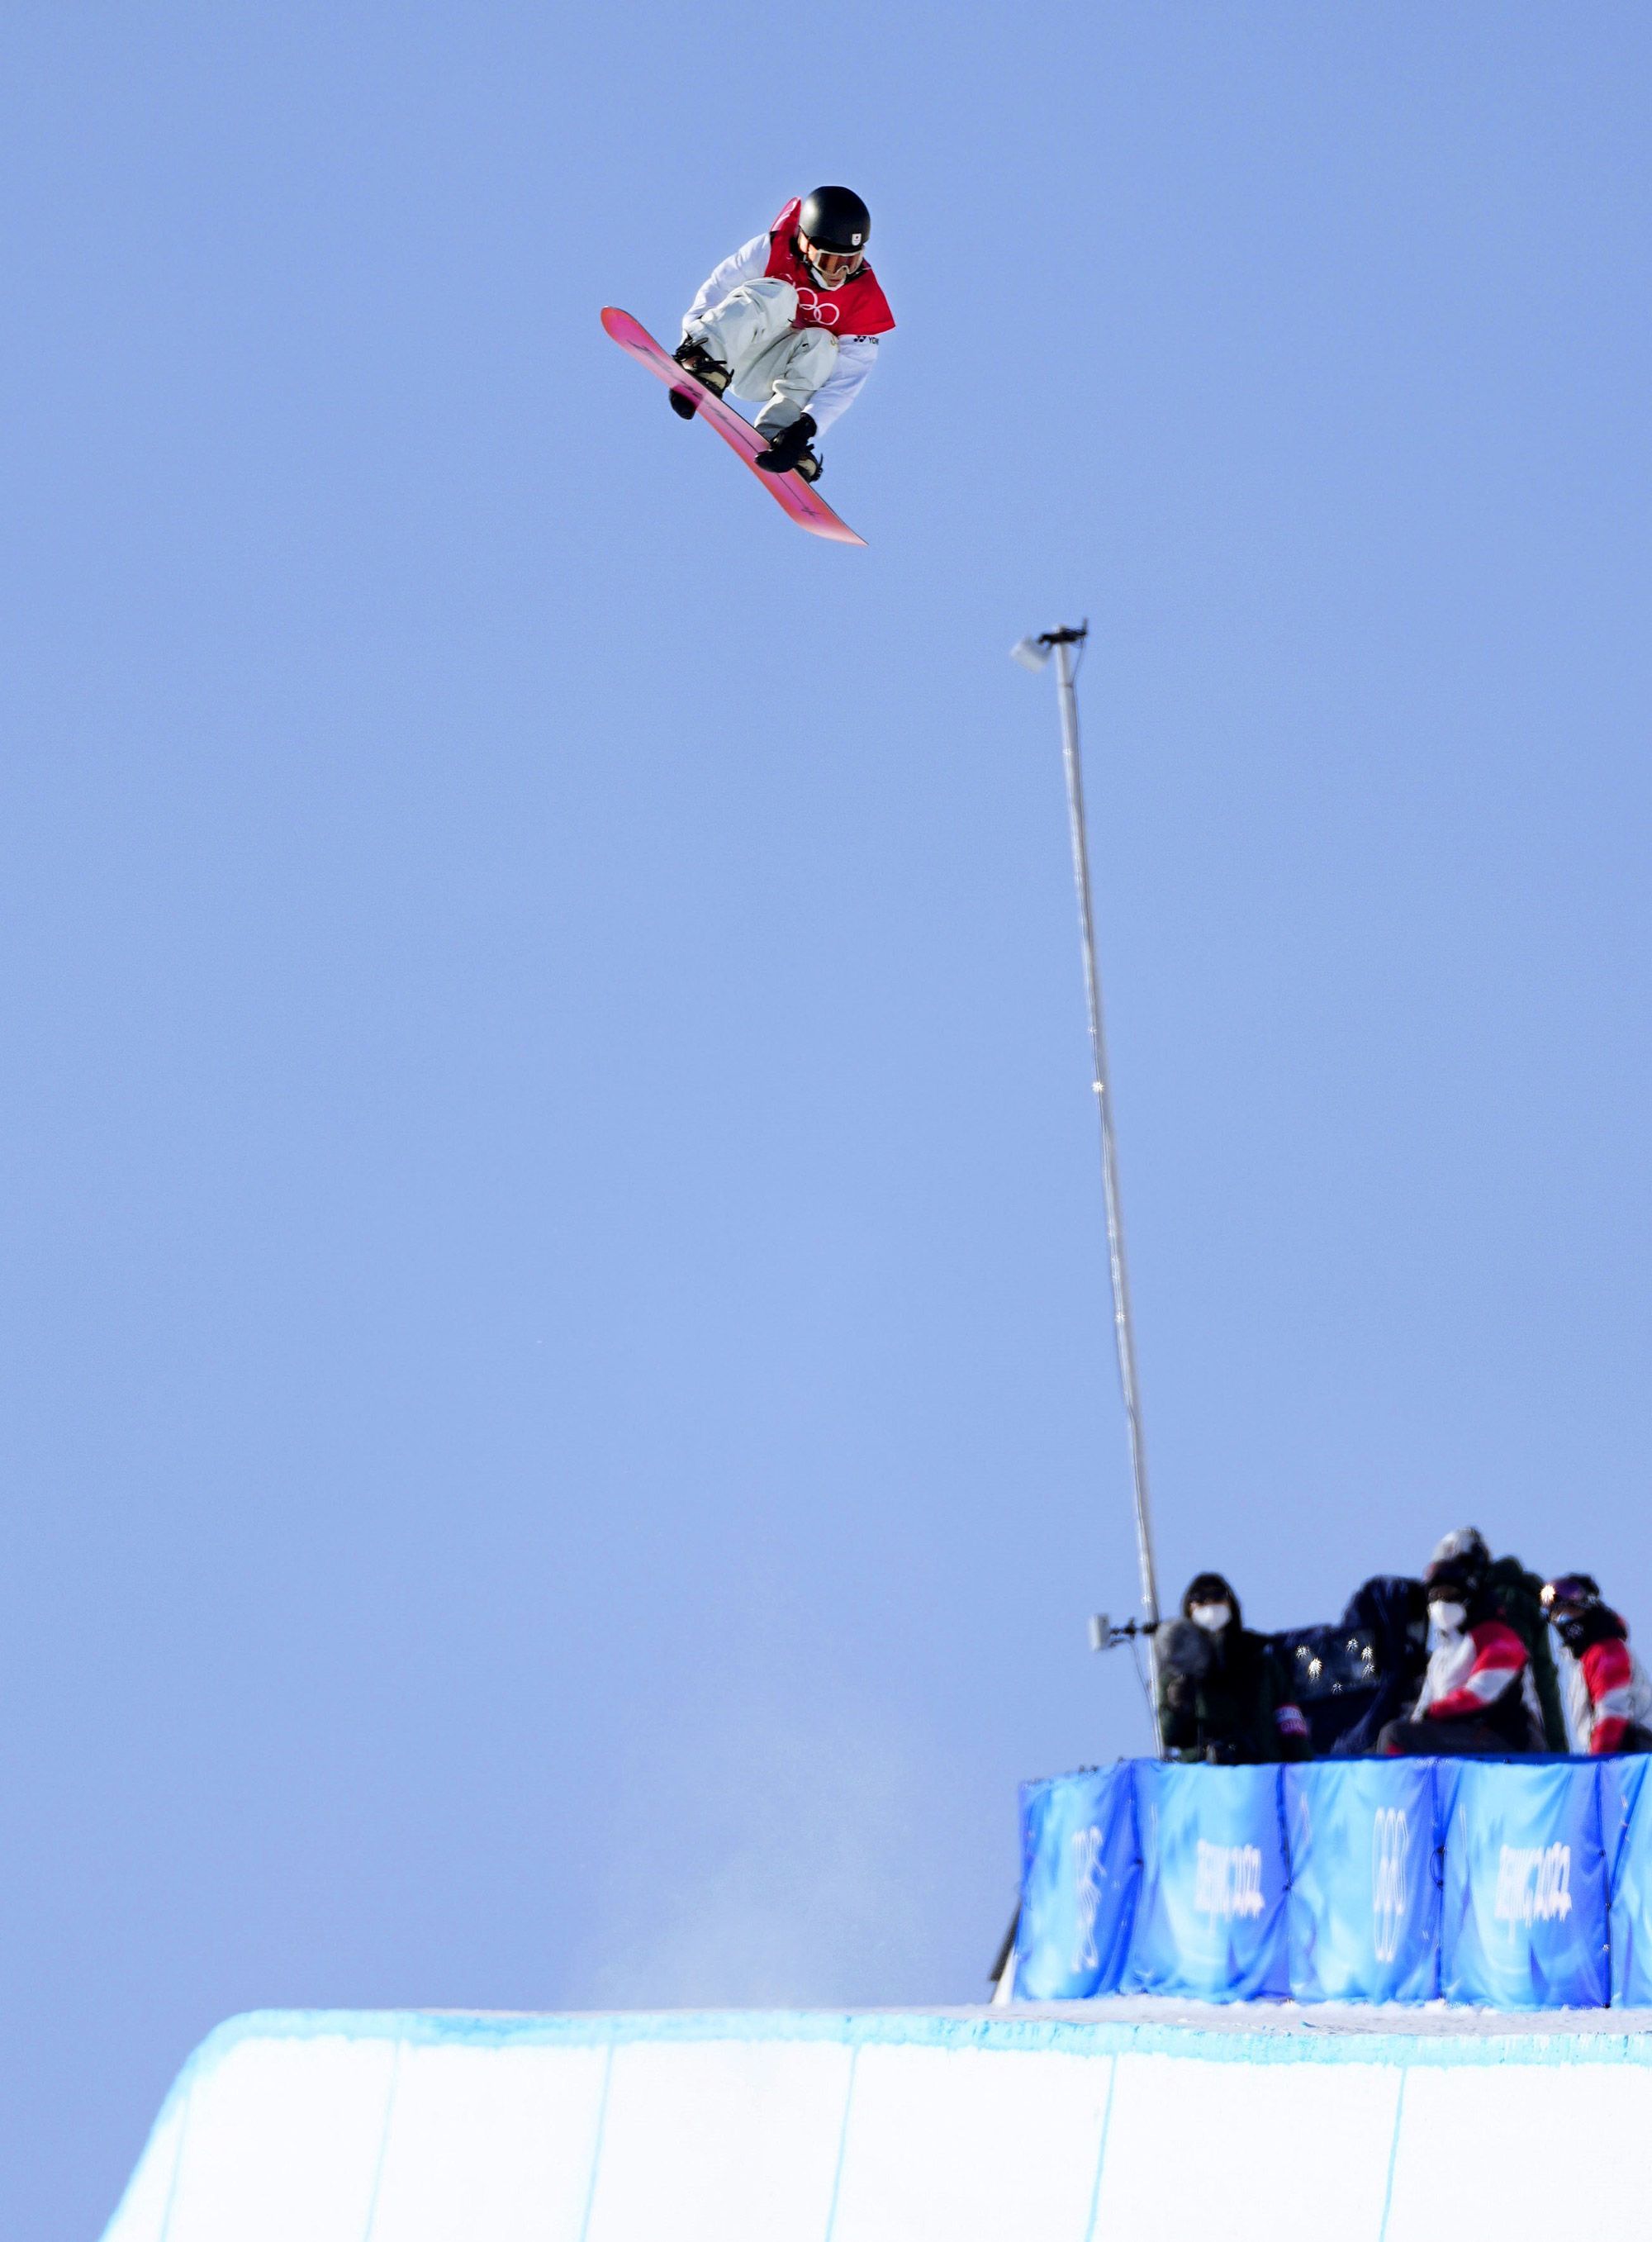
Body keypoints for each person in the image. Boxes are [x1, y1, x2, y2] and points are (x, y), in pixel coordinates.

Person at [668, 187, 895, 483]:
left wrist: (807, 428)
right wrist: (693, 342)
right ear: (805, 243)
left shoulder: (863, 301)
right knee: (780, 294)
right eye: (829, 261)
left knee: (823, 343)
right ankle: (705, 360)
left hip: (770, 372)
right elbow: (716, 291)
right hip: (732, 351)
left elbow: (847, 380)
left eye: (849, 263)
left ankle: (779, 430)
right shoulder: (771, 250)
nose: (838, 275)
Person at [1379, 1548, 1544, 1755]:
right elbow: (1424, 1706)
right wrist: (1422, 1718)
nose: (1441, 1602)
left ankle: (1404, 1785)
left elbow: (1481, 1695)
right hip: (1468, 1734)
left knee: (1396, 1735)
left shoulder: (1497, 1636)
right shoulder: (1442, 1653)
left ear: (1468, 1593)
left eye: (1448, 1593)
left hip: (1509, 1739)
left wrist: (1431, 1715)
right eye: (1435, 1595)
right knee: (1391, 1738)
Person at [1430, 1525, 1568, 1747]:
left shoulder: (1501, 1604)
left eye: (1456, 1569)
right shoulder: (1473, 1609)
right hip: (1492, 1727)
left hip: (1506, 1732)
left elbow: (1525, 1678)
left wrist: (1556, 1749)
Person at [1157, 1572, 1309, 1765]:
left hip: (1261, 1772)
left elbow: (1290, 1724)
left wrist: (1305, 1774)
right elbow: (1172, 1736)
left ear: (1232, 1604)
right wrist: (1177, 1706)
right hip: (1206, 1780)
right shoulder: (1177, 1669)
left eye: (1218, 1597)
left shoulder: (1262, 1662)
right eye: (1200, 1600)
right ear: (1189, 1609)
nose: (1210, 1605)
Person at [1542, 1574, 1652, 1755]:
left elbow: (1612, 1714)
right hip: (1618, 1756)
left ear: (1589, 1604)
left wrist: (1595, 1770)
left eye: (1571, 1609)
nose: (1566, 1620)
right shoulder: (1582, 1661)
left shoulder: (1605, 1651)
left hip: (1631, 1756)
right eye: (1559, 1616)